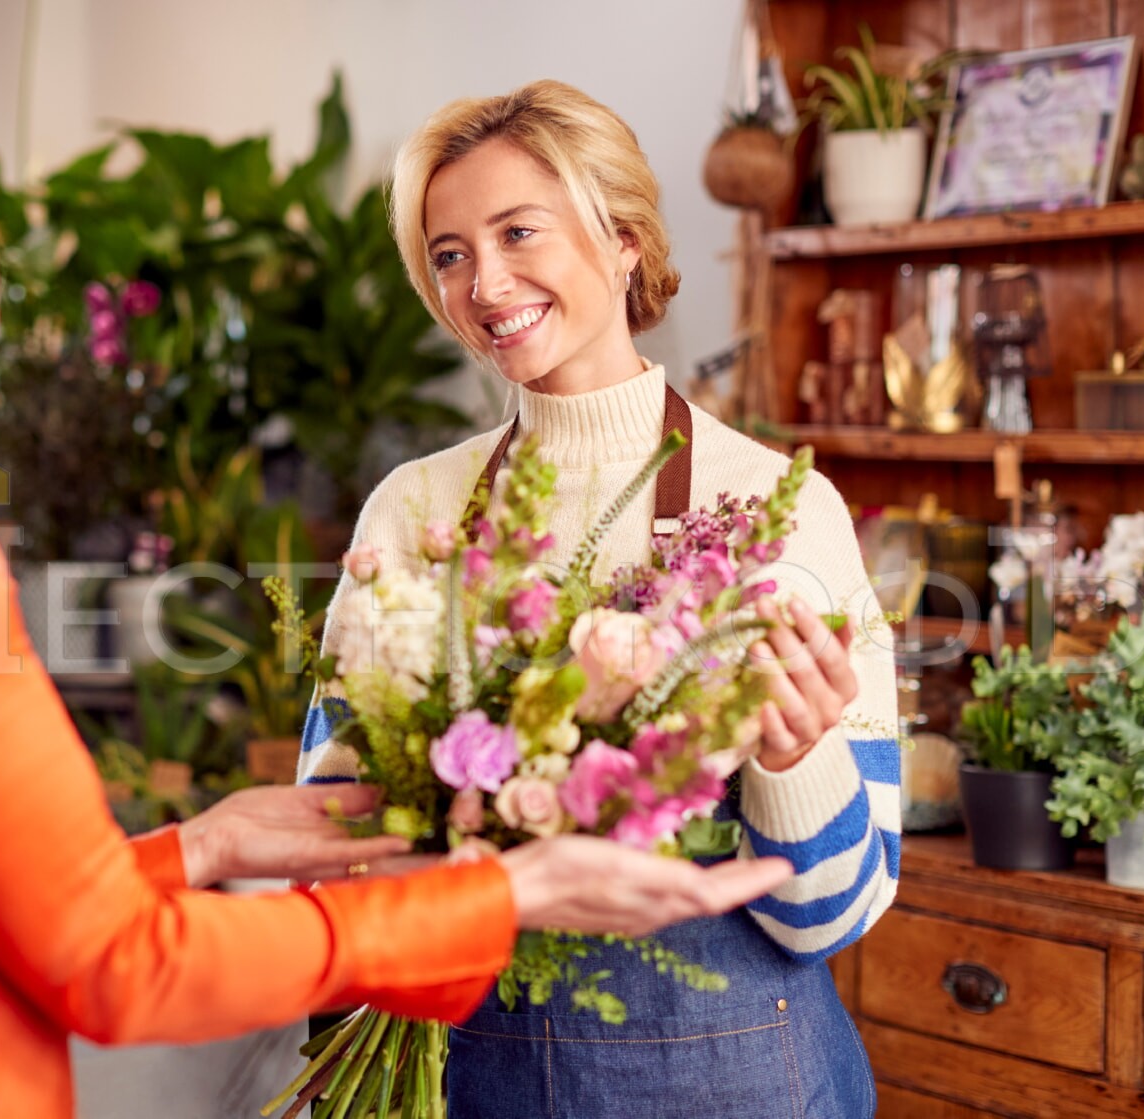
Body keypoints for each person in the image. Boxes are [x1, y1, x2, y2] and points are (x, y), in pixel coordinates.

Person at [0, 63, 796, 1119]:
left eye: (519, 234)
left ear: (627, 242)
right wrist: (504, 899)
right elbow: (108, 961)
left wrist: (200, 848)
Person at [299, 80, 901, 1118]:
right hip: (468, 1067)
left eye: (517, 231)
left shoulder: (776, 510)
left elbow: (834, 917)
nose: (484, 282)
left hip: (734, 1078)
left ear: (623, 238)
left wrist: (798, 760)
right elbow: (332, 838)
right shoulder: (414, 509)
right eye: (449, 254)